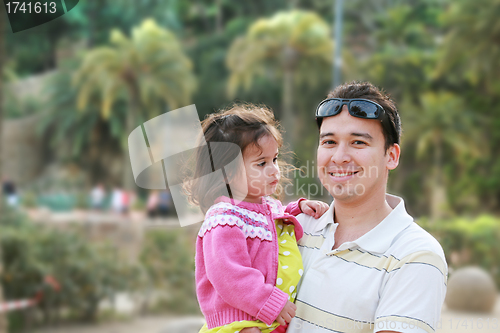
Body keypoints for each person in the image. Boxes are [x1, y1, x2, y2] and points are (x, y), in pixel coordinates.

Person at [287, 81, 447, 333]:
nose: (339, 157)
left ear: (391, 156)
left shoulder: (415, 255)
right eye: (329, 142)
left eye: (358, 143)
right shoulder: (295, 228)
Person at [184, 104, 329, 333]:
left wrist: (298, 208)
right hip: (240, 322)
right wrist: (268, 301)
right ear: (227, 173)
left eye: (274, 159)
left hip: (265, 317)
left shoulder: (263, 206)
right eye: (261, 163)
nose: (274, 170)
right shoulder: (224, 219)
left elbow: (273, 221)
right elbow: (229, 274)